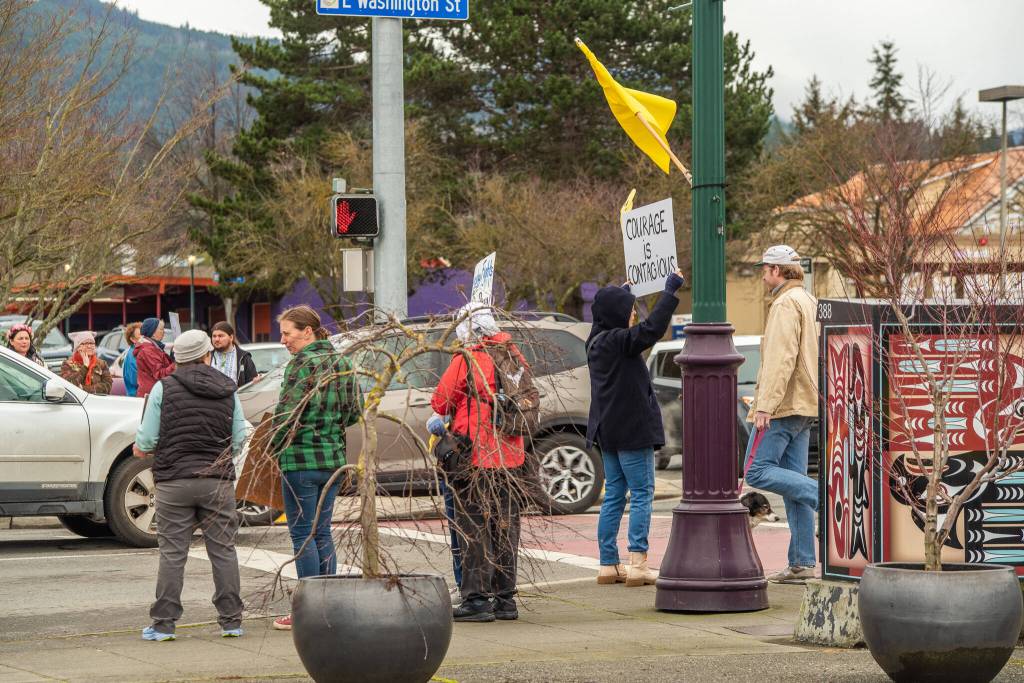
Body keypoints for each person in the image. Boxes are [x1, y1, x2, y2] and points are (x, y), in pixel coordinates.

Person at [132, 329, 249, 642]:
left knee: (172, 553)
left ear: (177, 358)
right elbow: (240, 437)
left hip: (174, 482)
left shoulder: (163, 389)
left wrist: (143, 448)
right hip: (217, 481)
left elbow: (145, 439)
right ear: (207, 355)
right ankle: (231, 621)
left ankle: (163, 624)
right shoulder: (228, 389)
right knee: (223, 551)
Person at [429, 303, 528, 623]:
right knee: (505, 528)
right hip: (511, 456)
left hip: (475, 456)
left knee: (474, 528)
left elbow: (440, 400)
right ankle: (506, 600)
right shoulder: (514, 354)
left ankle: (477, 600)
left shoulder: (468, 358)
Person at [587, 271, 685, 587]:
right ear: (617, 315)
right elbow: (653, 327)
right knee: (642, 492)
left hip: (607, 431)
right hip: (632, 429)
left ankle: (607, 564)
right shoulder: (620, 342)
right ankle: (638, 561)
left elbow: (606, 312)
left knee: (615, 493)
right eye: (629, 311)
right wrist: (669, 291)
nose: (633, 316)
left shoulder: (595, 341)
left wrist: (624, 291)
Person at [270, 305, 362, 632]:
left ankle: (308, 611)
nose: (283, 340)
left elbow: (286, 414)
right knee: (322, 532)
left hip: (300, 460)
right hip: (333, 461)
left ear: (307, 331)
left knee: (303, 534)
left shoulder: (300, 365)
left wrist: (272, 448)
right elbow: (353, 413)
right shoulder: (343, 363)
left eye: (287, 333)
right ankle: (329, 604)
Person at [743, 245, 819, 584]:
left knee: (756, 470)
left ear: (777, 271)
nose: (762, 274)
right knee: (794, 486)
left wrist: (764, 405)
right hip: (805, 404)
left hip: (784, 406)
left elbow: (780, 358)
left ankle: (827, 498)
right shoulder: (808, 300)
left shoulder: (785, 305)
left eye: (765, 269)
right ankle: (802, 562)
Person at [134, 318, 175, 398]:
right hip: (151, 395)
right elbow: (160, 374)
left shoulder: (155, 347)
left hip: (154, 393)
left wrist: (172, 356)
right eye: (161, 329)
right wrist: (177, 364)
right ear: (152, 333)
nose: (164, 332)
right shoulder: (148, 350)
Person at [210, 321, 258, 387]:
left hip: (236, 396)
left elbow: (252, 383)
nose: (217, 339)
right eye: (214, 336)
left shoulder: (243, 357)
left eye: (220, 336)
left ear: (231, 337)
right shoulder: (207, 357)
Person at [123, 322, 142, 397]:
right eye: (140, 335)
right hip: (136, 398)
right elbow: (135, 380)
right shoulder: (132, 356)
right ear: (132, 339)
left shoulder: (140, 351)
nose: (143, 337)